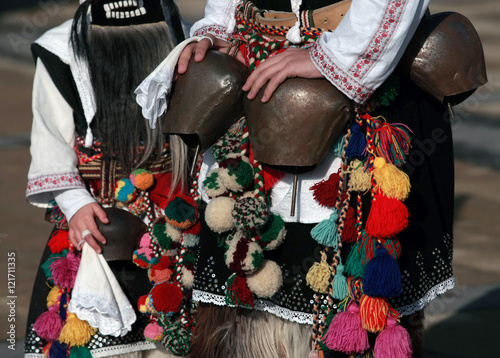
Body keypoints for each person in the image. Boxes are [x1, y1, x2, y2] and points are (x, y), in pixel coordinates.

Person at [142, 0, 464, 357]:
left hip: (359, 89)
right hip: (252, 71)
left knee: (354, 303)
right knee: (234, 305)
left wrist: (335, 58)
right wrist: (218, 28)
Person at [24, 0, 190, 357]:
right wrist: (75, 204)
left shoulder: (184, 36)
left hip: (171, 220)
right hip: (93, 218)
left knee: (171, 337)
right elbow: (50, 141)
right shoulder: (60, 50)